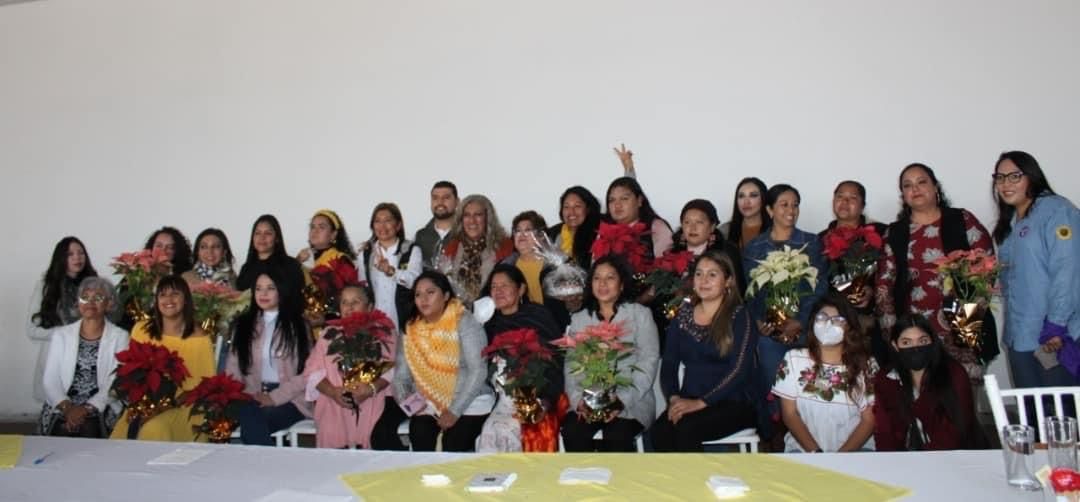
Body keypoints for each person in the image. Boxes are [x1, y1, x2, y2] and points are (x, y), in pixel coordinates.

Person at [875, 163, 996, 378]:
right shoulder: (895, 232)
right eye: (907, 185)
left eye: (922, 182)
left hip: (964, 325)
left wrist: (968, 323)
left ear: (935, 187)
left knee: (964, 390)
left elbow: (986, 268)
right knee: (923, 391)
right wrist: (893, 335)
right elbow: (884, 286)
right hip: (916, 332)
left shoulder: (961, 220)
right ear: (903, 195)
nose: (915, 189)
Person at [653, 251, 758, 452]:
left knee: (686, 429)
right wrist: (674, 399)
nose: (704, 280)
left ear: (728, 281)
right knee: (660, 432)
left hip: (733, 401)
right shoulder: (682, 316)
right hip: (689, 399)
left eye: (712, 274)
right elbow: (669, 364)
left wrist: (701, 403)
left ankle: (697, 474)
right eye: (699, 274)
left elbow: (739, 370)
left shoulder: (740, 316)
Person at [992, 151, 1080, 390]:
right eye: (1000, 178)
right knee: (1029, 407)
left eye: (1014, 176)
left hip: (1054, 337)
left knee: (1060, 408)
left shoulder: (1057, 210)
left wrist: (1057, 324)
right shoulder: (1011, 219)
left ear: (1032, 176)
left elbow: (1068, 271)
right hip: (1020, 336)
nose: (1006, 184)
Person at [560, 255, 660, 452]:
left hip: (632, 402)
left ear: (621, 285)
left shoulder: (640, 314)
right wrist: (579, 400)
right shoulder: (580, 319)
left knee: (617, 434)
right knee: (573, 431)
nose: (602, 284)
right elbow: (572, 365)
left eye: (610, 278)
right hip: (588, 400)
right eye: (597, 278)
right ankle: (585, 474)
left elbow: (648, 361)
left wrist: (621, 401)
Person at [393, 270, 493, 452]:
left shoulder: (464, 322)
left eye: (430, 292)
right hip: (428, 403)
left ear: (446, 295)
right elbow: (401, 378)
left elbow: (478, 370)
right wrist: (413, 406)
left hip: (469, 401)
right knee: (420, 432)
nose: (423, 299)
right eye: (418, 294)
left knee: (452, 444)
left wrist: (454, 411)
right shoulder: (409, 329)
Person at [110, 275, 215, 441]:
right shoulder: (141, 330)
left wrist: (162, 407)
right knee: (126, 430)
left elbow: (205, 386)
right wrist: (147, 406)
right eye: (163, 295)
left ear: (186, 300)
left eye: (175, 294)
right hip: (145, 404)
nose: (168, 300)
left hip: (183, 406)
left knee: (153, 428)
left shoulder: (200, 338)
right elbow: (131, 372)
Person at [743, 184, 827, 390]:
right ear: (770, 210)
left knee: (809, 388)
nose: (791, 210)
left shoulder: (811, 242)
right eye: (784, 204)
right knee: (775, 388)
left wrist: (800, 321)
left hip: (806, 330)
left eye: (795, 205)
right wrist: (759, 321)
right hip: (771, 333)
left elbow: (820, 286)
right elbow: (751, 292)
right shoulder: (754, 247)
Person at [476, 264, 566, 452]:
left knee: (524, 431)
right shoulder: (489, 325)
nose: (498, 291)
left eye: (505, 285)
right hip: (504, 399)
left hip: (543, 394)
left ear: (521, 289)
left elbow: (555, 360)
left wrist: (544, 401)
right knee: (490, 432)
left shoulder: (538, 315)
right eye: (494, 286)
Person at [305, 284, 406, 450]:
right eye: (344, 302)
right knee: (331, 427)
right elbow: (312, 372)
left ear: (370, 307)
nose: (349, 307)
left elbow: (392, 369)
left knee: (377, 432)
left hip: (375, 397)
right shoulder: (329, 333)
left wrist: (370, 389)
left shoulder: (384, 332)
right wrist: (333, 392)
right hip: (336, 398)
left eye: (355, 302)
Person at [772, 294, 877, 452]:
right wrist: (816, 453)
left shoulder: (866, 364)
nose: (828, 324)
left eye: (837, 320)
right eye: (822, 318)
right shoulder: (793, 359)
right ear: (813, 322)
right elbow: (790, 414)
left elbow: (869, 420)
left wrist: (840, 458)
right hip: (804, 450)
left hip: (854, 452)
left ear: (849, 327)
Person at [225, 269, 312, 446]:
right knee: (248, 412)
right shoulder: (243, 325)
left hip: (291, 398)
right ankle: (268, 460)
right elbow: (232, 369)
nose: (263, 294)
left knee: (252, 418)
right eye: (258, 289)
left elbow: (308, 372)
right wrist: (236, 395)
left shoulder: (298, 325)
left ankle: (261, 461)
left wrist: (274, 397)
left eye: (270, 288)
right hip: (251, 397)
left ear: (281, 291)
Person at [873, 314, 979, 450]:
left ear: (932, 341)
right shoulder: (887, 378)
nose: (915, 348)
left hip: (955, 454)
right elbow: (885, 431)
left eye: (922, 341)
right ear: (895, 346)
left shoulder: (954, 373)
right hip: (905, 457)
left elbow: (958, 432)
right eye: (906, 343)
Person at [39, 277, 129, 438]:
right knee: (62, 429)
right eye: (85, 297)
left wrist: (86, 408)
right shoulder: (61, 335)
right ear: (78, 303)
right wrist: (68, 408)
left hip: (102, 403)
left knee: (88, 428)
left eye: (98, 297)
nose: (90, 302)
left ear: (109, 304)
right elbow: (50, 379)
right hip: (63, 403)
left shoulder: (120, 336)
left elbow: (116, 381)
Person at [818, 181, 890, 364]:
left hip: (871, 320)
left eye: (852, 198)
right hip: (834, 321)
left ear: (863, 206)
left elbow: (890, 272)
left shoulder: (880, 233)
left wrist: (872, 292)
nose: (844, 202)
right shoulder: (820, 239)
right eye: (840, 197)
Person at [27, 236, 99, 402]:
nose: (77, 258)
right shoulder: (47, 286)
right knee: (59, 407)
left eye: (81, 253)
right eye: (70, 254)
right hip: (58, 358)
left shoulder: (95, 285)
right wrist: (67, 332)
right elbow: (31, 330)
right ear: (61, 258)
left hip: (88, 360)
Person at [438, 194, 513, 305]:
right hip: (457, 312)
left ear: (488, 218)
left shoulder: (504, 247)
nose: (472, 221)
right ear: (461, 220)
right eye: (467, 215)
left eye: (478, 215)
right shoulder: (451, 248)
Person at [359, 203, 423, 330]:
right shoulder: (366, 254)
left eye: (388, 220)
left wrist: (392, 271)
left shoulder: (411, 250)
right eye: (377, 221)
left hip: (405, 323)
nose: (382, 226)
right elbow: (362, 288)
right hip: (375, 324)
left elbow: (416, 283)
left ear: (398, 225)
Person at [671, 199, 747, 295]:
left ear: (712, 226)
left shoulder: (727, 252)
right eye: (687, 222)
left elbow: (737, 291)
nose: (692, 228)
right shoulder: (671, 254)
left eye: (699, 222)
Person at [297, 209, 359, 320]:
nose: (315, 231)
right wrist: (296, 262)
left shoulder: (340, 259)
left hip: (333, 322)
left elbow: (350, 297)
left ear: (333, 235)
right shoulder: (303, 258)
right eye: (312, 227)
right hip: (307, 321)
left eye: (321, 227)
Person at [603, 176, 674, 260]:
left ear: (639, 201)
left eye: (624, 198)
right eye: (612, 200)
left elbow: (665, 265)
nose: (617, 205)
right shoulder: (604, 231)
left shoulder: (656, 227)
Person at [236, 214, 306, 294]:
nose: (262, 237)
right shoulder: (246, 269)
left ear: (277, 238)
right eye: (257, 233)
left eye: (268, 233)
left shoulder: (291, 266)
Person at [546, 186, 602, 269]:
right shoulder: (552, 234)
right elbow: (544, 270)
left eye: (577, 206)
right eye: (566, 207)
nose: (571, 212)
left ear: (588, 209)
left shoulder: (599, 235)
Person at [414, 180, 459, 266]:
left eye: (446, 198)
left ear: (457, 201)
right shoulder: (421, 236)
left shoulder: (466, 234)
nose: (440, 202)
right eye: (435, 198)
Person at [722, 177, 771, 252]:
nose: (746, 202)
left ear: (763, 199)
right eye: (741, 196)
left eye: (753, 195)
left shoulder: (775, 229)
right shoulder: (725, 230)